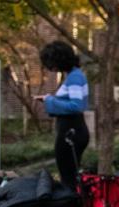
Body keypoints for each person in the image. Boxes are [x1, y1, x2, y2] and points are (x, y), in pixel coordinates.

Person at [38, 41, 90, 192]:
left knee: (68, 178)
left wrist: (49, 100)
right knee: (69, 175)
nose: (50, 68)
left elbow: (76, 105)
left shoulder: (74, 77)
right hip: (72, 129)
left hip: (71, 131)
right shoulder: (73, 75)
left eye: (51, 63)